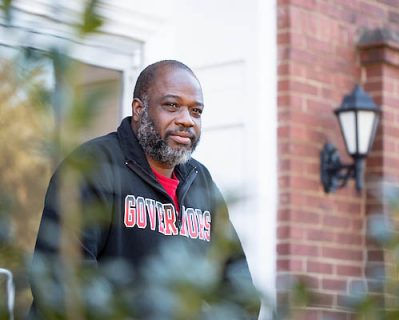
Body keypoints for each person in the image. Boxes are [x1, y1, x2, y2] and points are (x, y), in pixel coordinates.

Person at [29, 60, 259, 319]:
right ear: (139, 109)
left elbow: (240, 288)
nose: (186, 120)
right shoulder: (92, 168)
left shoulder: (201, 180)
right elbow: (63, 288)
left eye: (196, 111)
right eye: (172, 105)